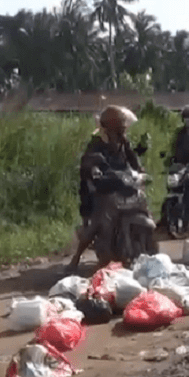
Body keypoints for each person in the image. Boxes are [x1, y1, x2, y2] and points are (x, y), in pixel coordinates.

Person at [67, 105, 143, 274]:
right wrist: (94, 170)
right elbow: (89, 162)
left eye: (124, 123)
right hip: (101, 188)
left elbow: (134, 160)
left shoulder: (123, 141)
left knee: (143, 204)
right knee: (98, 222)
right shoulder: (97, 141)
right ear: (112, 124)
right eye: (121, 123)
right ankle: (76, 258)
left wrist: (141, 172)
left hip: (123, 185)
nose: (124, 127)